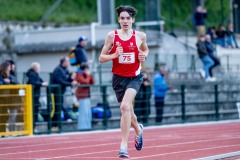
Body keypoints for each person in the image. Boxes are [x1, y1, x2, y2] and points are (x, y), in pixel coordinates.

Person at [99, 5, 149, 158]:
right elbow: (101, 58)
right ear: (118, 20)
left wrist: (143, 56)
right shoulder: (112, 36)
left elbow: (146, 50)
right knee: (128, 111)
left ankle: (123, 147)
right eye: (122, 18)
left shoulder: (140, 36)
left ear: (133, 20)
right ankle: (139, 130)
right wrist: (114, 55)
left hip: (134, 77)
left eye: (128, 18)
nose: (125, 21)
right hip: (118, 79)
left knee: (125, 107)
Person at [50, 57, 78, 131]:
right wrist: (70, 84)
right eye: (67, 61)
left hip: (61, 92)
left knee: (59, 107)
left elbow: (67, 78)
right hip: (55, 92)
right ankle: (53, 125)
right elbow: (59, 81)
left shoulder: (65, 69)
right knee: (55, 109)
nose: (68, 63)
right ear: (64, 62)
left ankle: (57, 125)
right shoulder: (58, 69)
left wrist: (72, 80)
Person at [26, 62, 48, 131]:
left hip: (35, 96)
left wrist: (43, 82)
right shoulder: (32, 74)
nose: (40, 69)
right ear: (35, 68)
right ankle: (32, 128)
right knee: (33, 112)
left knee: (35, 112)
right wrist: (42, 84)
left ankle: (33, 127)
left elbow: (40, 80)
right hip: (33, 96)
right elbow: (34, 82)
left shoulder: (35, 74)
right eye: (39, 68)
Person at [75, 64, 94, 130]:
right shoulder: (79, 75)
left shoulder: (86, 75)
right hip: (82, 96)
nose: (87, 71)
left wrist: (89, 75)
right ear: (84, 69)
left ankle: (88, 127)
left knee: (88, 113)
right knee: (83, 113)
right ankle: (82, 127)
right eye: (86, 69)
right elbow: (85, 82)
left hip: (87, 96)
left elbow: (92, 82)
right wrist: (88, 75)